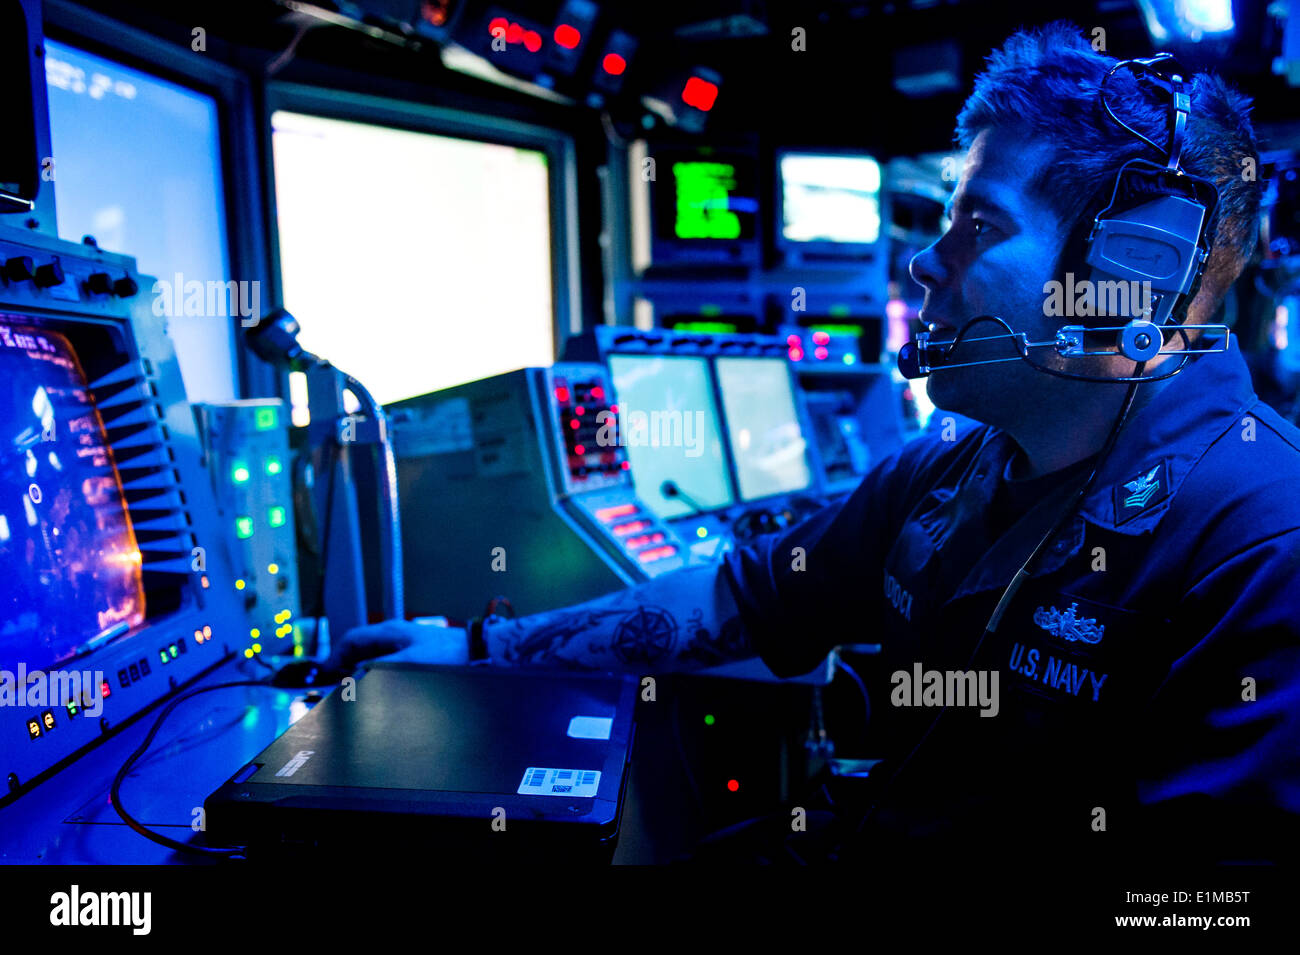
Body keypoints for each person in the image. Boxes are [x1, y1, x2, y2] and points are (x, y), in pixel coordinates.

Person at [336, 23, 1300, 863]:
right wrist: (477, 645)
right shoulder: (952, 468)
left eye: (978, 224)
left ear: (1124, 273)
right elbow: (743, 597)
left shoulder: (1263, 538)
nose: (926, 259)